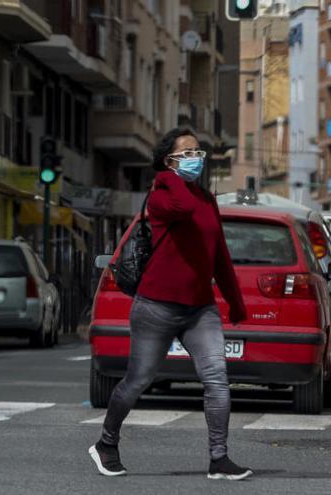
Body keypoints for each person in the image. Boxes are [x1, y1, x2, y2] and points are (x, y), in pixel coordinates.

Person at [88, 128, 251, 481]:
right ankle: (106, 443)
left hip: (200, 309)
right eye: (187, 153)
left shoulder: (207, 200)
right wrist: (167, 176)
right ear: (169, 161)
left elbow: (219, 255)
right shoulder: (162, 196)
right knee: (138, 379)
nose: (196, 158)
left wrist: (235, 302)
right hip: (156, 306)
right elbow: (182, 206)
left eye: (199, 153)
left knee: (217, 379)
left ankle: (219, 458)